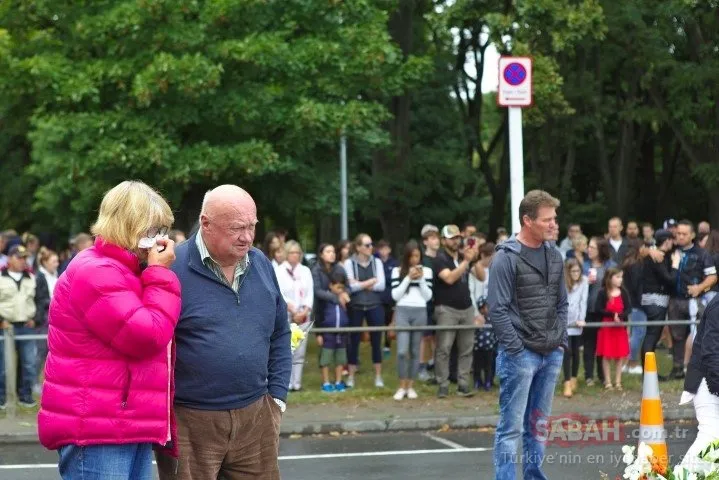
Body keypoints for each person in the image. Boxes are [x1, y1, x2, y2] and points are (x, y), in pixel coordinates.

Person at [37, 181, 181, 480]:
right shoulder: (97, 272)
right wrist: (160, 274)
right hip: (99, 428)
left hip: (123, 421)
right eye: (154, 230)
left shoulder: (124, 271)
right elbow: (148, 336)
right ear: (132, 227)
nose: (159, 239)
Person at [158, 185, 290, 480]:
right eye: (236, 228)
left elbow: (280, 331)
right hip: (191, 422)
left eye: (251, 226)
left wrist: (277, 397)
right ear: (205, 223)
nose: (247, 236)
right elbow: (153, 345)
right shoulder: (171, 269)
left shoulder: (260, 264)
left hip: (256, 417)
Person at [488, 190, 567, 480]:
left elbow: (562, 304)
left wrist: (560, 342)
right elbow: (497, 310)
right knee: (510, 429)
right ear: (527, 220)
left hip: (550, 352)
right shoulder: (505, 258)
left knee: (538, 425)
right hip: (521, 355)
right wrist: (516, 350)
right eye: (547, 220)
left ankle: (534, 476)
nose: (553, 225)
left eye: (554, 219)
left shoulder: (554, 255)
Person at [433, 224, 480, 398]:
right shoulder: (439, 259)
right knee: (444, 348)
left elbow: (481, 275)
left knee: (467, 348)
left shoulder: (462, 256)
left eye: (457, 237)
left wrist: (474, 258)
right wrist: (466, 262)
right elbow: (450, 278)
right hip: (447, 308)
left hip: (466, 307)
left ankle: (463, 384)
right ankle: (443, 384)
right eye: (451, 238)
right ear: (443, 240)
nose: (455, 241)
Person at [0, 244, 45, 408]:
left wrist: (36, 319)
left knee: (29, 362)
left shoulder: (33, 278)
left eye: (25, 257)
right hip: (5, 326)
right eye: (19, 257)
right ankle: (2, 397)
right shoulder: (1, 276)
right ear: (10, 258)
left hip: (27, 326)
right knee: (3, 364)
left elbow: (42, 300)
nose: (23, 261)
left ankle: (25, 395)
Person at [680, 294, 719, 474]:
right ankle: (683, 475)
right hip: (707, 380)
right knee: (711, 435)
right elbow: (711, 352)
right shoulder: (717, 306)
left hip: (712, 376)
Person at [390, 241, 433, 401]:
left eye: (417, 256)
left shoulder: (427, 271)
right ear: (406, 257)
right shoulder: (397, 271)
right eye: (411, 256)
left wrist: (420, 279)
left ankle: (410, 385)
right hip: (402, 310)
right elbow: (395, 296)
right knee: (402, 351)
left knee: (415, 350)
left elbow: (428, 296)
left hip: (420, 311)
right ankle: (401, 386)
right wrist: (408, 277)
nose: (415, 259)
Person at [344, 233, 386, 388]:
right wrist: (370, 282)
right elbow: (350, 287)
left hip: (374, 305)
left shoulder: (377, 262)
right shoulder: (349, 263)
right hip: (356, 306)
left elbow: (381, 285)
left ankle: (378, 376)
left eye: (371, 244)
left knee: (376, 341)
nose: (371, 248)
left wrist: (359, 283)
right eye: (367, 245)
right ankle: (351, 376)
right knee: (353, 341)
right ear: (358, 247)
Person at [275, 240, 314, 391]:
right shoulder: (279, 270)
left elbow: (310, 293)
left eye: (298, 253)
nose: (295, 255)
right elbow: (279, 293)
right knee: (286, 350)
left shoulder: (305, 271)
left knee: (300, 350)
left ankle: (297, 384)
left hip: (303, 315)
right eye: (292, 252)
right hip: (286, 315)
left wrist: (305, 310)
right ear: (286, 254)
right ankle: (287, 383)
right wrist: (291, 309)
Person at [583, 236, 616, 387]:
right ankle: (589, 376)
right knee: (589, 344)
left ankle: (603, 376)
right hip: (588, 310)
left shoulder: (610, 266)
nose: (589, 250)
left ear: (600, 250)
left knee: (603, 344)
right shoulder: (584, 266)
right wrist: (585, 282)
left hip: (605, 310)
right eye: (588, 247)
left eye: (592, 247)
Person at [595, 267, 631, 390]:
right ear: (610, 279)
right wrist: (612, 315)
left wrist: (620, 316)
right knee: (606, 354)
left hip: (620, 327)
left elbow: (628, 309)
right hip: (607, 326)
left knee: (619, 355)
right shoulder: (603, 292)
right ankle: (608, 381)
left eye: (621, 277)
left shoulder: (624, 291)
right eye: (618, 277)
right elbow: (598, 308)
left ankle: (618, 381)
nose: (620, 280)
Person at [318, 270, 351, 393]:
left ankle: (338, 382)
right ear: (331, 285)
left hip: (342, 334)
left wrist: (347, 302)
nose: (340, 290)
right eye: (337, 287)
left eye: (342, 287)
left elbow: (350, 314)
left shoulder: (345, 298)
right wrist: (319, 334)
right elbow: (319, 316)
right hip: (328, 333)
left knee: (340, 359)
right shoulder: (325, 299)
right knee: (325, 359)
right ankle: (326, 383)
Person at [33, 247, 59, 395]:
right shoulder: (40, 277)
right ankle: (35, 382)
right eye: (54, 261)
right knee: (41, 352)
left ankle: (48, 381)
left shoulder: (55, 275)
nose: (57, 264)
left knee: (52, 352)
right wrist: (55, 302)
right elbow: (40, 299)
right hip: (43, 320)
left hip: (54, 317)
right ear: (45, 262)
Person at [562, 258, 588, 398]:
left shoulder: (584, 281)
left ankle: (573, 378)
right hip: (565, 320)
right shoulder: (563, 282)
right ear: (568, 271)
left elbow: (583, 300)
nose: (576, 273)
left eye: (578, 270)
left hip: (577, 320)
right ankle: (566, 382)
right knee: (567, 351)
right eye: (573, 271)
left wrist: (581, 319)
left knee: (576, 351)